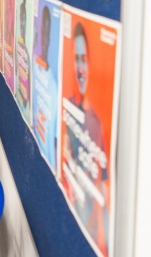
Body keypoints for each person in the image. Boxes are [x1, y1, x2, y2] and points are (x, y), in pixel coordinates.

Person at [61, 22, 109, 253]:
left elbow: (105, 190)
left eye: (84, 60)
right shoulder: (68, 109)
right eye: (76, 59)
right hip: (67, 219)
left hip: (87, 238)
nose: (80, 69)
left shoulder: (98, 126)